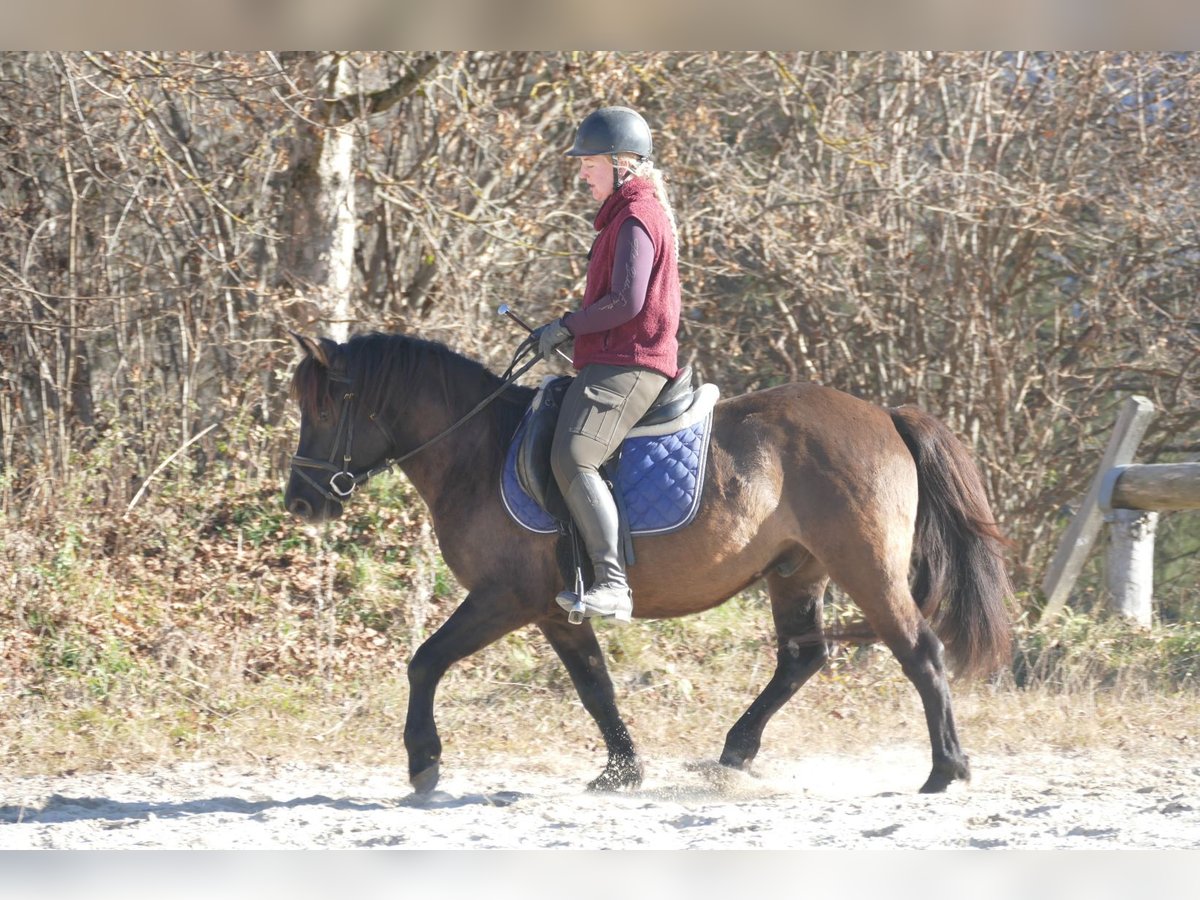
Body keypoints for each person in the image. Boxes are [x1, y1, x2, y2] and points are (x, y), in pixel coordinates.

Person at [532, 106, 682, 623]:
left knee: (574, 456)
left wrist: (568, 326)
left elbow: (626, 303)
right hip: (614, 356)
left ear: (622, 163)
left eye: (589, 163)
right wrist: (568, 338)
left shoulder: (638, 216)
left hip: (633, 363)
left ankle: (613, 584)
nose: (581, 173)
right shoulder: (626, 214)